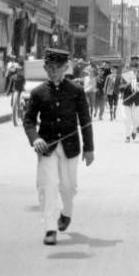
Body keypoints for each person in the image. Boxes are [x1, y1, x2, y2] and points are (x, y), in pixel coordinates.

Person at [22, 48, 94, 246]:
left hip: (70, 147)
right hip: (47, 147)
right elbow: (28, 120)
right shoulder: (38, 93)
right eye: (49, 68)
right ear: (45, 68)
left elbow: (86, 121)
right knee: (47, 185)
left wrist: (89, 148)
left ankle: (66, 213)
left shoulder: (76, 91)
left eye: (57, 68)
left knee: (69, 187)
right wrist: (35, 138)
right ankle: (50, 228)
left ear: (66, 68)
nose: (53, 71)